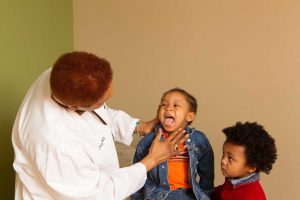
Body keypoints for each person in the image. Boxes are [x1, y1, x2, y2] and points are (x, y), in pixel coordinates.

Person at [11, 51, 189, 200]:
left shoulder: (65, 75)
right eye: (102, 101)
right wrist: (152, 160)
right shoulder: (54, 143)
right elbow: (99, 194)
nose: (105, 103)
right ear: (73, 106)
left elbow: (100, 113)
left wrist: (138, 126)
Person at [131, 88, 214, 200]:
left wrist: (206, 194)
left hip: (188, 195)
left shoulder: (198, 139)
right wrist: (136, 197)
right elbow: (138, 169)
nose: (168, 108)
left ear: (189, 116)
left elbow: (207, 171)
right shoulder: (149, 140)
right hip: (157, 195)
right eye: (164, 105)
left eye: (176, 105)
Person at [213, 122, 277, 200]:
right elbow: (222, 191)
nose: (223, 161)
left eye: (230, 158)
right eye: (223, 154)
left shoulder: (252, 196)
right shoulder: (233, 179)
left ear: (251, 167)